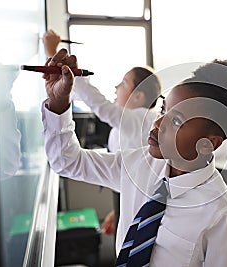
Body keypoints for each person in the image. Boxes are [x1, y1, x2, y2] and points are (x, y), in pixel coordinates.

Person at [42, 49, 227, 266]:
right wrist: (59, 102)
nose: (157, 123)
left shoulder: (221, 213)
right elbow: (67, 162)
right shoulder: (139, 164)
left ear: (208, 144)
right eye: (163, 110)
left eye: (176, 121)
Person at [43, 30, 162, 235]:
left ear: (138, 96)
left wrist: (53, 54)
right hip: (130, 194)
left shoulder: (141, 118)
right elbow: (126, 175)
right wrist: (115, 211)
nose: (116, 87)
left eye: (124, 83)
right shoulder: (130, 124)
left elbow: (99, 105)